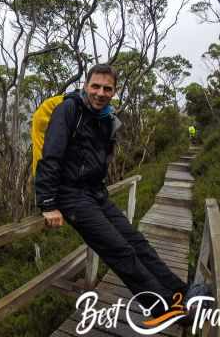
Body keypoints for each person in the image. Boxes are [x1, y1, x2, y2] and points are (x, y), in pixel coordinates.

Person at [35, 64, 189, 319]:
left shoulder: (106, 117)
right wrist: (48, 203)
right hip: (70, 196)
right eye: (95, 86)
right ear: (86, 86)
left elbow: (99, 158)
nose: (100, 92)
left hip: (95, 193)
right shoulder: (69, 110)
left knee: (137, 242)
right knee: (121, 251)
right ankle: (166, 310)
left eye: (107, 88)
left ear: (114, 91)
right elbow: (50, 156)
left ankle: (179, 293)